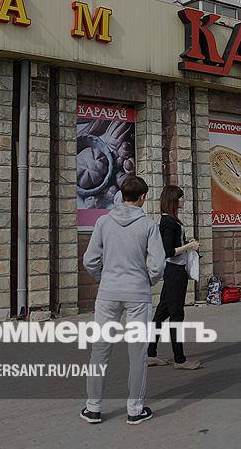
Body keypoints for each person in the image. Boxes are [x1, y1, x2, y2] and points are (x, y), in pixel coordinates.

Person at [81, 176, 166, 426]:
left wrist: (104, 277)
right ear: (142, 197)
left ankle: (93, 408)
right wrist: (147, 280)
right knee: (137, 352)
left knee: (100, 349)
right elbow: (158, 265)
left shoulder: (103, 222)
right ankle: (135, 409)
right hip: (137, 294)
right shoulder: (148, 226)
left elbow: (89, 260)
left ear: (122, 194)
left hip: (108, 293)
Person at [146, 185, 202, 370]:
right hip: (175, 272)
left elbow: (173, 245)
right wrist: (189, 247)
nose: (183, 200)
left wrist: (186, 242)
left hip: (175, 271)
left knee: (161, 313)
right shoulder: (168, 222)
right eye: (181, 197)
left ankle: (150, 354)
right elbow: (168, 251)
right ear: (173, 200)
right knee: (176, 315)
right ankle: (180, 360)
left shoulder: (171, 220)